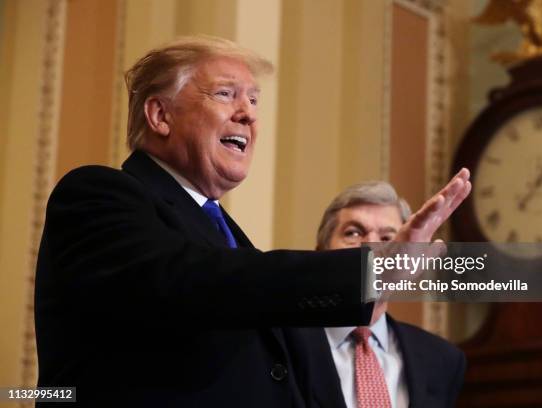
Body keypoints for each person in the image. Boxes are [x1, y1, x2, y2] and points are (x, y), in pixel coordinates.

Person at [34, 36, 471, 407]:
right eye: (226, 94)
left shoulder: (225, 233)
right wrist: (367, 271)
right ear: (160, 115)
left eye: (254, 100)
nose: (248, 114)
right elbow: (190, 282)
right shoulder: (97, 194)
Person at [288, 182, 465, 408]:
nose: (371, 247)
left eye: (387, 238)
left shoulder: (442, 360)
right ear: (321, 253)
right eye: (353, 232)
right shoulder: (280, 343)